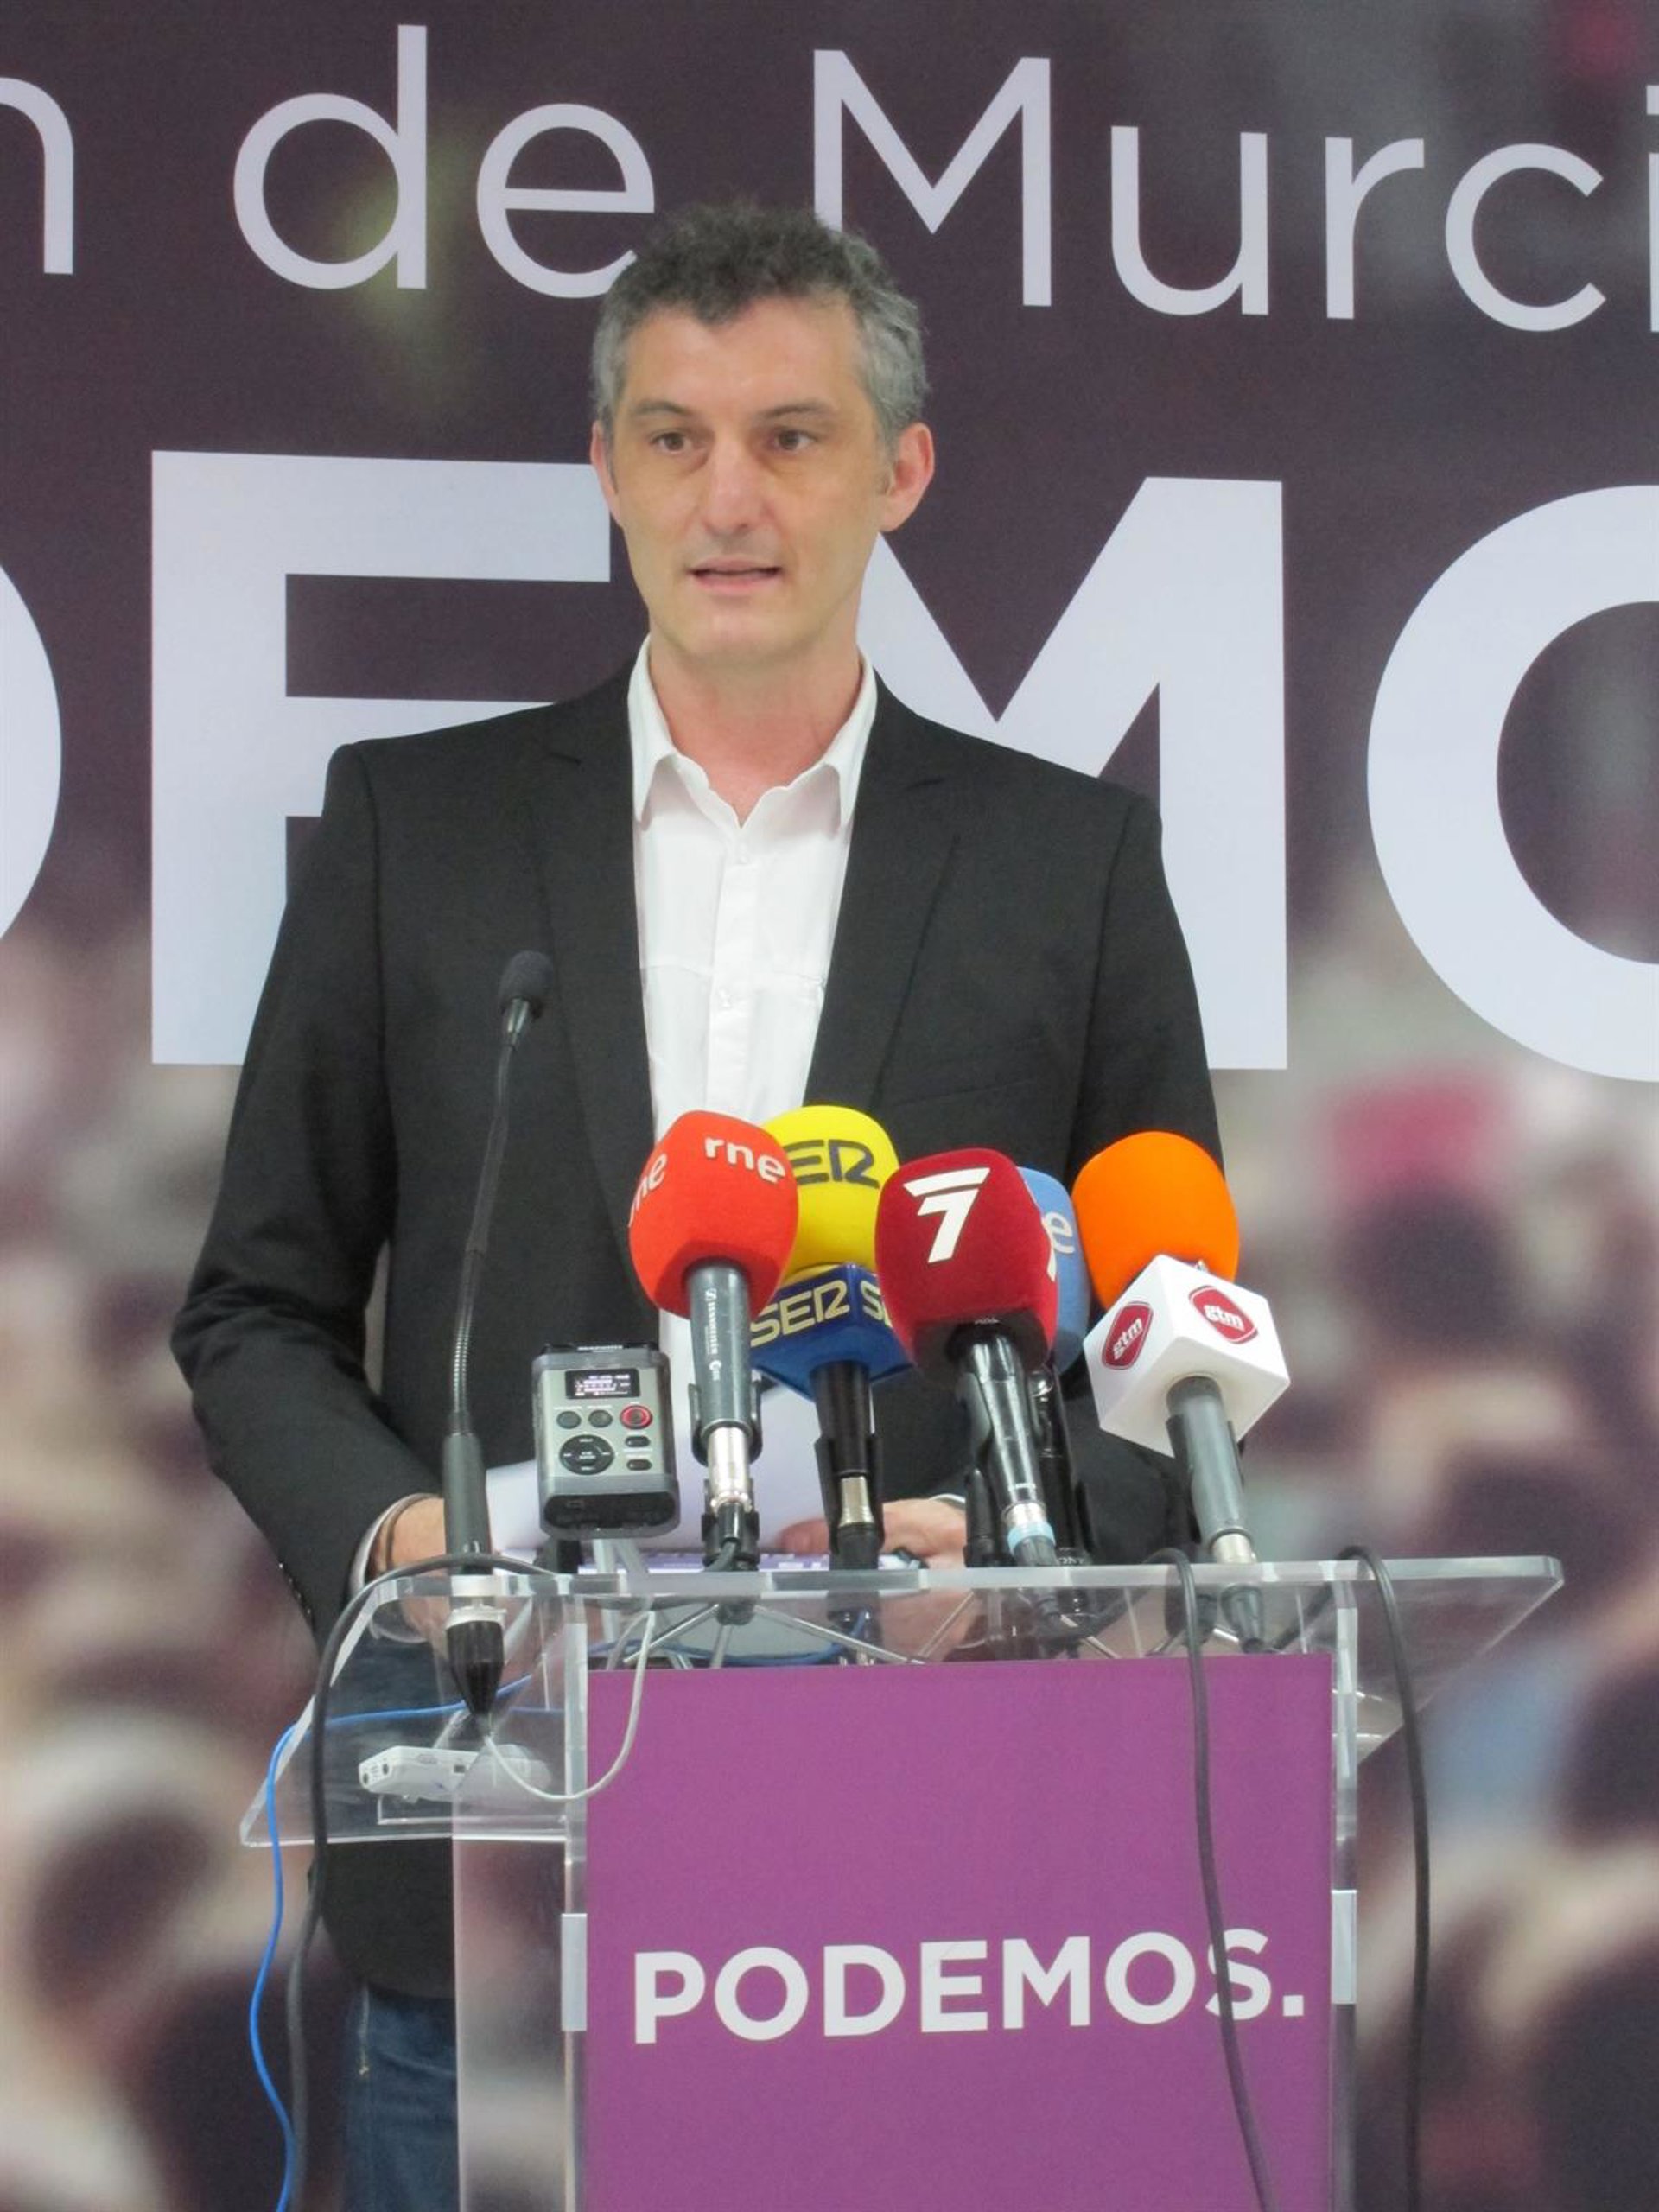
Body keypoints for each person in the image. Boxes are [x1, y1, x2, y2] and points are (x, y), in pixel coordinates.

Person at [173, 201, 1220, 2206]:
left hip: (937, 1886)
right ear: (605, 467)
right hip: (491, 1868)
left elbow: (1169, 1364)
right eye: (672, 437)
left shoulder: (1066, 866)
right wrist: (409, 1545)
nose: (725, 497)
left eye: (791, 437)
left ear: (901, 471)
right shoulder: (419, 827)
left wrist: (1018, 1552)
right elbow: (254, 1310)